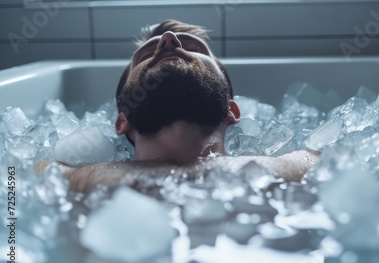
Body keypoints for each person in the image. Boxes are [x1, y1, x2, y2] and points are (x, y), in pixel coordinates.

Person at [37, 19, 319, 193]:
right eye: (147, 55)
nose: (167, 42)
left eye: (195, 50)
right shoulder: (64, 179)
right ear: (122, 121)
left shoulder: (298, 168)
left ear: (231, 111)